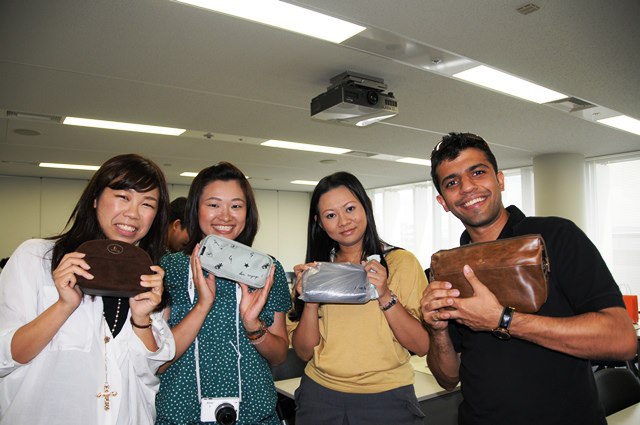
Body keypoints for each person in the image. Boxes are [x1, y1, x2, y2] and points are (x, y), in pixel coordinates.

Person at [421, 132, 638, 425]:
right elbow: (448, 378)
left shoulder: (557, 236)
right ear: (443, 201)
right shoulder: (449, 267)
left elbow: (622, 340)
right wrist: (437, 331)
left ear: (500, 180)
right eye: (452, 182)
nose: (467, 187)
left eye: (478, 172)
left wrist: (503, 320)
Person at [0, 153, 176, 425]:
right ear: (95, 198)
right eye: (123, 196)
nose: (133, 213)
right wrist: (64, 306)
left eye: (147, 204)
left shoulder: (149, 279)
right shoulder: (37, 258)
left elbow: (148, 374)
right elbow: (5, 357)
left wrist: (141, 319)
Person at [155, 162, 291, 425]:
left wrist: (253, 326)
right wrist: (201, 306)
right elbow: (157, 362)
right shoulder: (168, 269)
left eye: (236, 206)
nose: (225, 216)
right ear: (196, 209)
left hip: (254, 415)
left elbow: (279, 355)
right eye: (214, 204)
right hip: (182, 415)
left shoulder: (265, 270)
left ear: (248, 212)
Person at [291, 171, 429, 425]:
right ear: (319, 223)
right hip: (319, 396)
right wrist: (310, 300)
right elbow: (303, 352)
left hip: (387, 398)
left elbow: (422, 346)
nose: (343, 221)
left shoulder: (401, 262)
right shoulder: (316, 273)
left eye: (350, 208)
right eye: (331, 215)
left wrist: (384, 295)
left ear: (366, 206)